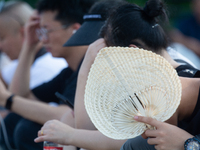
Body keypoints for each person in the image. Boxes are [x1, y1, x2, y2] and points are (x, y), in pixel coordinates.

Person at [34, 0, 200, 150]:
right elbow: (90, 132)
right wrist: (86, 66)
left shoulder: (159, 90)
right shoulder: (156, 84)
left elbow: (121, 141)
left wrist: (190, 144)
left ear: (133, 55)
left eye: (110, 64)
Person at [0, 0, 95, 149]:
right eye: (40, 32)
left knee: (28, 129)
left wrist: (6, 98)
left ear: (75, 30)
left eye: (46, 31)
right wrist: (29, 45)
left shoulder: (92, 69)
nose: (42, 39)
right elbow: (21, 97)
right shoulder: (68, 72)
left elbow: (66, 115)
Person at [0, 1, 67, 89]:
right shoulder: (21, 64)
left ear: (23, 33)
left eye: (2, 38)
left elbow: (13, 100)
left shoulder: (46, 68)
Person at [169, 0, 200, 68]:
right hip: (191, 59)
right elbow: (174, 36)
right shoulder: (188, 21)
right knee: (175, 48)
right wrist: (192, 44)